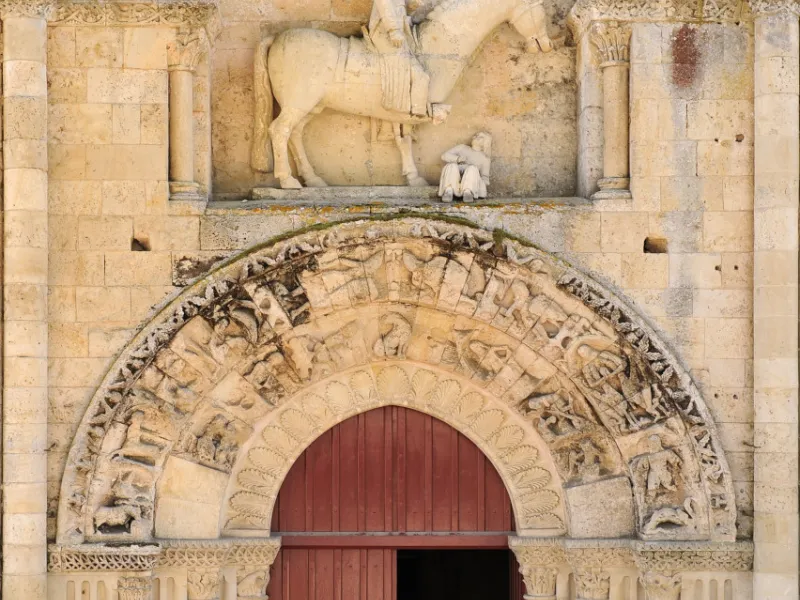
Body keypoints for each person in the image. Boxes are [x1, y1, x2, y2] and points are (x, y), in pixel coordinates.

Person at [438, 132, 492, 203]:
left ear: (486, 143)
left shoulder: (484, 159)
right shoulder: (462, 148)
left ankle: (468, 191)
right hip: (456, 175)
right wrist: (458, 159)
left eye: (480, 137)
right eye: (476, 135)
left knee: (472, 168)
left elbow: (485, 177)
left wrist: (482, 187)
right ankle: (449, 190)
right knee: (451, 166)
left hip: (471, 180)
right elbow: (444, 156)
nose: (476, 137)